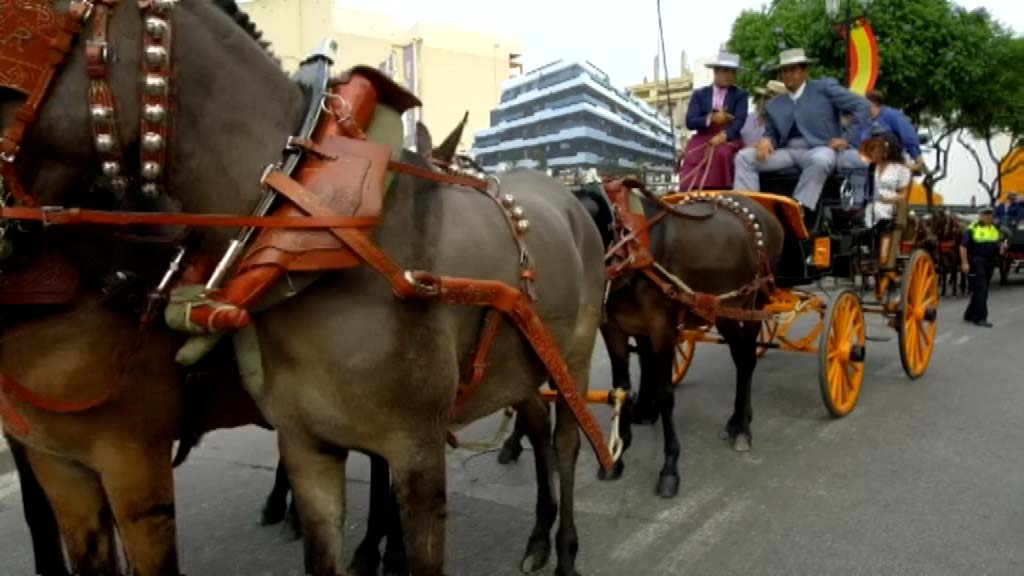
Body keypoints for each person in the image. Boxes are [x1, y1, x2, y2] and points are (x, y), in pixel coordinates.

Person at [733, 48, 869, 226]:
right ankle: (748, 212)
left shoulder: (824, 88)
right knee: (743, 157)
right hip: (788, 152)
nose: (788, 75)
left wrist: (847, 137)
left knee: (821, 159)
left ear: (804, 71)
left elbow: (862, 106)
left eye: (793, 70)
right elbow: (772, 133)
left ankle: (798, 209)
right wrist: (767, 140)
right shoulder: (774, 104)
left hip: (820, 148)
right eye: (784, 71)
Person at [838, 90, 923, 205]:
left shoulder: (892, 115)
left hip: (891, 160)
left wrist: (918, 159)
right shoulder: (863, 120)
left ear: (871, 104)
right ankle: (855, 204)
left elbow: (908, 136)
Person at [678, 51, 748, 190]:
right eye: (726, 71)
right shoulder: (699, 94)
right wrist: (711, 118)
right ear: (716, 71)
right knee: (692, 152)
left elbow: (739, 121)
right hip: (703, 137)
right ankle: (689, 191)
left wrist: (724, 135)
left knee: (722, 153)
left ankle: (719, 191)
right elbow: (690, 122)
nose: (730, 76)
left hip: (728, 136)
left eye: (733, 72)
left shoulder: (740, 95)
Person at [960, 206, 1002, 327]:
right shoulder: (972, 229)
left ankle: (969, 314)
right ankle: (980, 318)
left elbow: (996, 243)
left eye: (990, 215)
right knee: (982, 290)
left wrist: (1001, 247)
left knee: (981, 290)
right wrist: (964, 263)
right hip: (976, 262)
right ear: (980, 216)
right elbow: (963, 247)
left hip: (990, 262)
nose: (988, 217)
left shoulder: (994, 228)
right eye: (985, 214)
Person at [741, 80, 787, 148]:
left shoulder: (782, 126)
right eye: (765, 98)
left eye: (772, 100)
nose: (766, 102)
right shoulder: (747, 117)